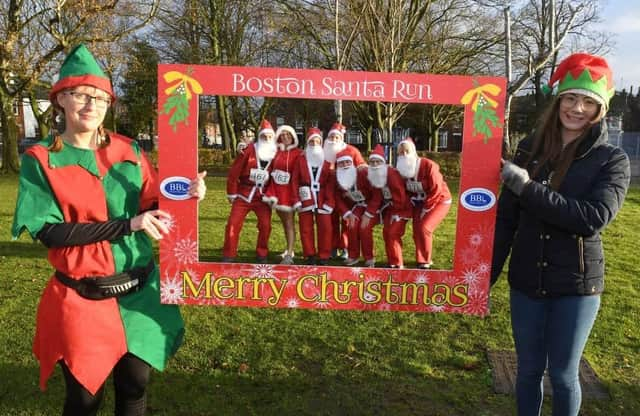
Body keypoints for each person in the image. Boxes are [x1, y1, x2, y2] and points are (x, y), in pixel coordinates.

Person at [11, 44, 207, 416]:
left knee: (135, 386)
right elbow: (50, 232)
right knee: (85, 399)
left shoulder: (128, 150)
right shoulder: (41, 159)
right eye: (81, 95)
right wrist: (127, 225)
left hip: (138, 290)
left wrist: (186, 194)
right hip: (83, 296)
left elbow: (154, 201)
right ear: (60, 101)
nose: (91, 104)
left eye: (100, 98)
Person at [491, 53, 630, 416]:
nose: (577, 108)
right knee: (528, 371)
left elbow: (592, 217)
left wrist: (528, 188)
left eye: (588, 102)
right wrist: (481, 281)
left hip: (576, 287)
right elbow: (506, 220)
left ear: (599, 108)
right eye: (571, 98)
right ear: (558, 101)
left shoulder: (612, 159)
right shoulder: (528, 150)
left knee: (565, 376)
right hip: (526, 282)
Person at [223, 119, 277, 263]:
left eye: (270, 137)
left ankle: (262, 253)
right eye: (264, 136)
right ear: (260, 136)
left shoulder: (276, 153)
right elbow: (234, 173)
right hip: (244, 194)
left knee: (265, 226)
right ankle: (229, 254)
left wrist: (273, 195)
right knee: (233, 224)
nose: (267, 139)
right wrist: (232, 192)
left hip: (263, 197)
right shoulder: (248, 150)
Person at [396, 137, 451, 269]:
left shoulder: (428, 165)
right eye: (401, 152)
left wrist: (427, 208)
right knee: (417, 231)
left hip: (439, 200)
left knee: (425, 227)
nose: (404, 154)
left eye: (407, 151)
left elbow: (436, 189)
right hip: (418, 202)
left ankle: (426, 260)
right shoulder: (400, 170)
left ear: (413, 152)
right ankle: (421, 259)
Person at [291, 127, 336, 265]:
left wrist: (329, 200)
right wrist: (296, 199)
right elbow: (295, 180)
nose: (314, 144)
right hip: (305, 195)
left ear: (321, 143)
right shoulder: (301, 160)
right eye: (312, 142)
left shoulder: (328, 162)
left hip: (323, 197)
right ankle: (309, 254)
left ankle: (324, 255)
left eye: (317, 141)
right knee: (306, 227)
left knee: (326, 228)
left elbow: (330, 183)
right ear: (308, 143)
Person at [323, 122, 366, 260]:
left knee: (347, 221)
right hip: (329, 191)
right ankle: (333, 247)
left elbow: (361, 166)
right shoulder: (324, 151)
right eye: (332, 137)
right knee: (331, 220)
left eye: (337, 137)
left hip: (347, 191)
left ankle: (346, 247)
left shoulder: (352, 150)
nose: (334, 140)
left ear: (341, 138)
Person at [334, 148, 382, 267]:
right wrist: (347, 213)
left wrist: (368, 214)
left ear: (352, 163)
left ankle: (369, 257)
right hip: (359, 206)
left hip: (374, 206)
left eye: (347, 162)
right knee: (352, 224)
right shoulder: (338, 178)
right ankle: (353, 255)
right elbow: (338, 198)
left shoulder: (363, 173)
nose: (345, 165)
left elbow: (377, 195)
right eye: (341, 163)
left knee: (364, 227)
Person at [366, 144, 412, 268]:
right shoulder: (375, 176)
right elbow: (376, 197)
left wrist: (398, 213)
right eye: (372, 162)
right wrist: (369, 213)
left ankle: (398, 263)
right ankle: (392, 262)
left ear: (383, 162)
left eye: (377, 162)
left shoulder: (391, 174)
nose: (375, 164)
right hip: (391, 209)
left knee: (393, 233)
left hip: (402, 208)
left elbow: (400, 195)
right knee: (386, 233)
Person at [263, 125, 303, 264]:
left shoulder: (299, 153)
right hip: (276, 192)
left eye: (288, 135)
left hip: (290, 192)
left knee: (289, 222)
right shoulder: (276, 152)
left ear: (293, 137)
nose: (285, 137)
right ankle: (289, 249)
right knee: (285, 223)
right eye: (283, 135)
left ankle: (290, 255)